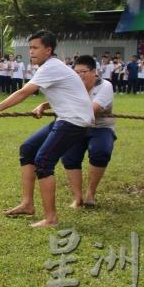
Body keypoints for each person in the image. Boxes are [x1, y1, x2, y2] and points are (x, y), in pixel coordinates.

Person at [0, 30, 93, 227]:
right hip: (66, 118)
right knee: (28, 149)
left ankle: (51, 218)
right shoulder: (52, 67)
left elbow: (24, 92)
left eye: (35, 48)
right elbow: (72, 92)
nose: (31, 52)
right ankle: (27, 204)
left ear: (48, 50)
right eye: (30, 48)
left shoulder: (50, 67)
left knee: (43, 161)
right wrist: (45, 105)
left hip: (73, 121)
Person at [49, 55, 116, 208]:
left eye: (83, 72)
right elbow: (61, 100)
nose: (79, 75)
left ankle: (90, 194)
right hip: (76, 126)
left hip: (101, 127)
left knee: (101, 151)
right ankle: (77, 198)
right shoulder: (72, 87)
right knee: (69, 157)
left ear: (94, 72)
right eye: (76, 72)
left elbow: (92, 109)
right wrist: (44, 106)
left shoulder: (105, 86)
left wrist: (64, 109)